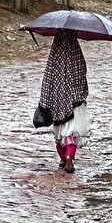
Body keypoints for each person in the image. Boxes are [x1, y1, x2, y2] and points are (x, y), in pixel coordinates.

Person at [36, 30, 90, 172]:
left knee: (60, 134)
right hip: (75, 103)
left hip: (57, 103)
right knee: (72, 134)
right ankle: (69, 158)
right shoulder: (76, 55)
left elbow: (47, 81)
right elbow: (81, 74)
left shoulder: (54, 58)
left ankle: (62, 158)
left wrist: (46, 101)